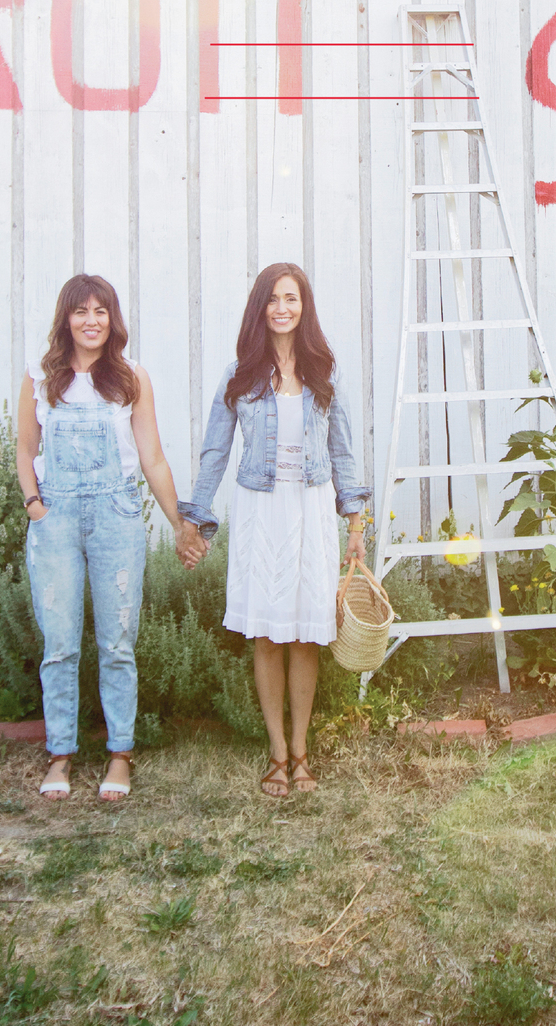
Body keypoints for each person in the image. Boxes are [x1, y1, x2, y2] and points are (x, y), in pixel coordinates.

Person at [180, 262, 369, 797]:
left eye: (291, 298)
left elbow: (344, 451)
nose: (282, 308)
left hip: (310, 512)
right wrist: (197, 521)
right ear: (260, 308)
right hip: (262, 511)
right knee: (266, 633)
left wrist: (355, 523)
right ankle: (277, 754)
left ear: (304, 307)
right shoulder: (240, 374)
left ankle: (303, 752)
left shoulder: (324, 373)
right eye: (272, 299)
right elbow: (216, 450)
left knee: (307, 634)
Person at [17, 273, 204, 802]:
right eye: (81, 311)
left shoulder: (130, 378)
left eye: (101, 311)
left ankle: (119, 753)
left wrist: (178, 522)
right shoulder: (39, 377)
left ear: (112, 320)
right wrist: (35, 505)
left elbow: (153, 458)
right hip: (55, 520)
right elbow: (24, 449)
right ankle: (61, 756)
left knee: (118, 642)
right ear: (66, 319)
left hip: (117, 517)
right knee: (59, 642)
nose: (91, 320)